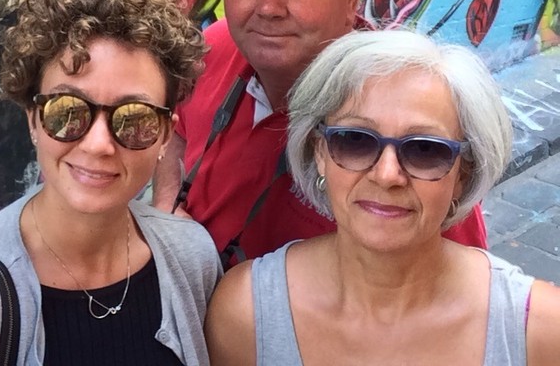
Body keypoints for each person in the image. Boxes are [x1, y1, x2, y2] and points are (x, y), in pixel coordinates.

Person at [151, 0, 488, 264]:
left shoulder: (403, 104)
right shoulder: (215, 45)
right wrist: (168, 203)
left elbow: (463, 277)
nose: (270, 7)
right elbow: (178, 131)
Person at [0, 0, 222, 366]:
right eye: (67, 112)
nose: (97, 144)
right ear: (33, 120)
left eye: (135, 117)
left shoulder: (191, 256)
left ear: (165, 136)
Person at [204, 29, 560, 365]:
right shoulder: (246, 313)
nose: (387, 175)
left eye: (425, 149)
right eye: (355, 140)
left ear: (462, 174)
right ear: (321, 154)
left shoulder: (539, 332)